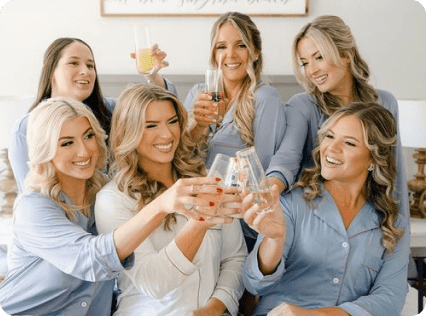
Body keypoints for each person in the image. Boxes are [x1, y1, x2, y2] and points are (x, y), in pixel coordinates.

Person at [0, 97, 207, 315]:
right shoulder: (33, 207)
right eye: (67, 143)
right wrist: (160, 206)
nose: (84, 152)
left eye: (88, 136)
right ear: (45, 151)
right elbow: (89, 259)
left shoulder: (107, 194)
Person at [242, 103, 410, 316]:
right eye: (329, 137)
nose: (331, 148)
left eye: (349, 143)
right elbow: (254, 284)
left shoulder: (394, 226)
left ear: (374, 159)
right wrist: (274, 239)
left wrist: (316, 315)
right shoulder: (291, 204)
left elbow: (390, 299)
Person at [94, 83, 247, 316]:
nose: (167, 134)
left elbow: (235, 257)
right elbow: (154, 283)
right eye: (151, 125)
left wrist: (215, 306)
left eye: (173, 121)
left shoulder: (205, 180)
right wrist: (202, 221)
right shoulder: (112, 199)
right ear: (128, 132)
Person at [267, 15, 409, 222]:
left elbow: (394, 175)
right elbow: (286, 159)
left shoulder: (385, 103)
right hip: (316, 221)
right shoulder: (302, 106)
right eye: (305, 62)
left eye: (319, 57)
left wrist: (401, 237)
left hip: (371, 221)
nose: (312, 71)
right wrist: (270, 188)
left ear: (345, 54)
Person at [8, 37, 169, 193]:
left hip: (116, 210)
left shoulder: (110, 111)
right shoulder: (27, 127)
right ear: (51, 72)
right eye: (74, 63)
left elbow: (156, 110)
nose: (85, 71)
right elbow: (30, 192)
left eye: (90, 66)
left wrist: (152, 76)